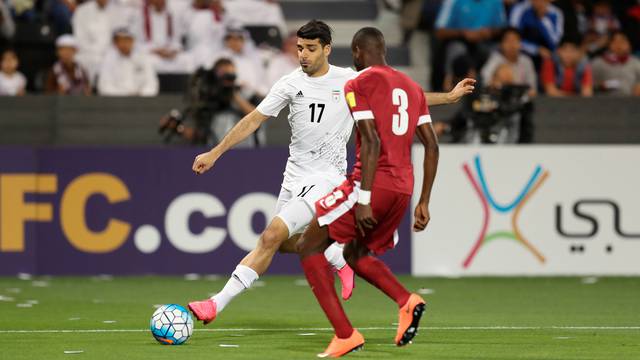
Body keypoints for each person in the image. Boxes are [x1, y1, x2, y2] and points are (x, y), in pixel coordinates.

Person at [187, 20, 474, 326]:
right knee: (279, 244)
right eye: (299, 48)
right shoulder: (289, 83)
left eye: (310, 49)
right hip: (294, 177)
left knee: (270, 235)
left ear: (326, 49)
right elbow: (254, 119)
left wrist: (448, 97)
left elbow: (399, 95)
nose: (303, 55)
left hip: (328, 179)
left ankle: (214, 304)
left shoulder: (351, 80)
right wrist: (215, 152)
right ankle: (339, 258)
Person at [295, 27, 438, 358]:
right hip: (403, 189)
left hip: (371, 184)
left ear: (357, 52)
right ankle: (406, 301)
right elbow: (431, 145)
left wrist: (363, 198)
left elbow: (371, 140)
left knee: (309, 245)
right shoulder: (413, 88)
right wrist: (424, 201)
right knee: (354, 254)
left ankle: (345, 334)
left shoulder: (358, 83)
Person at [72, 0, 128, 83]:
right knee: (80, 61)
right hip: (88, 53)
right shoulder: (82, 11)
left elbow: (121, 35)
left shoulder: (118, 10)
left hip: (112, 52)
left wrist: (110, 52)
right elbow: (80, 39)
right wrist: (97, 51)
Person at [132, 0, 194, 74]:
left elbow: (176, 41)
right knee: (148, 62)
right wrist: (157, 51)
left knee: (187, 60)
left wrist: (173, 51)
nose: (160, 1)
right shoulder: (141, 16)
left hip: (169, 53)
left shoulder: (171, 16)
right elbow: (137, 43)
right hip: (151, 53)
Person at [98, 28, 159, 96]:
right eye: (120, 41)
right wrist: (126, 96)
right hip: (117, 102)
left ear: (132, 41)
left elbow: (152, 84)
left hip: (142, 101)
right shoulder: (108, 59)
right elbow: (104, 87)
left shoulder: (143, 58)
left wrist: (142, 95)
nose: (124, 44)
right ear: (115, 43)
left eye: (127, 40)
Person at [592, 31, 640, 96]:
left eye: (622, 42)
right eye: (615, 42)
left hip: (630, 102)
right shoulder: (598, 63)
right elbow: (589, 87)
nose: (619, 45)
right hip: (604, 102)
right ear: (609, 45)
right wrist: (601, 86)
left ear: (629, 45)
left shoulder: (636, 63)